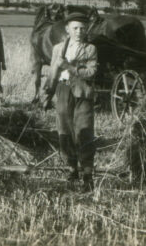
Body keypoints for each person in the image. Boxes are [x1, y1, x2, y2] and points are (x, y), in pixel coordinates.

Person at [43, 12, 98, 192]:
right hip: (63, 90)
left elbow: (91, 73)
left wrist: (69, 67)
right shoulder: (58, 48)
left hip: (83, 93)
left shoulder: (90, 49)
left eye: (82, 28)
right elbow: (53, 72)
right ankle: (72, 169)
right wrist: (48, 93)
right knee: (64, 131)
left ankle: (88, 175)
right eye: (75, 28)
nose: (79, 32)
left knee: (84, 131)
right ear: (67, 29)